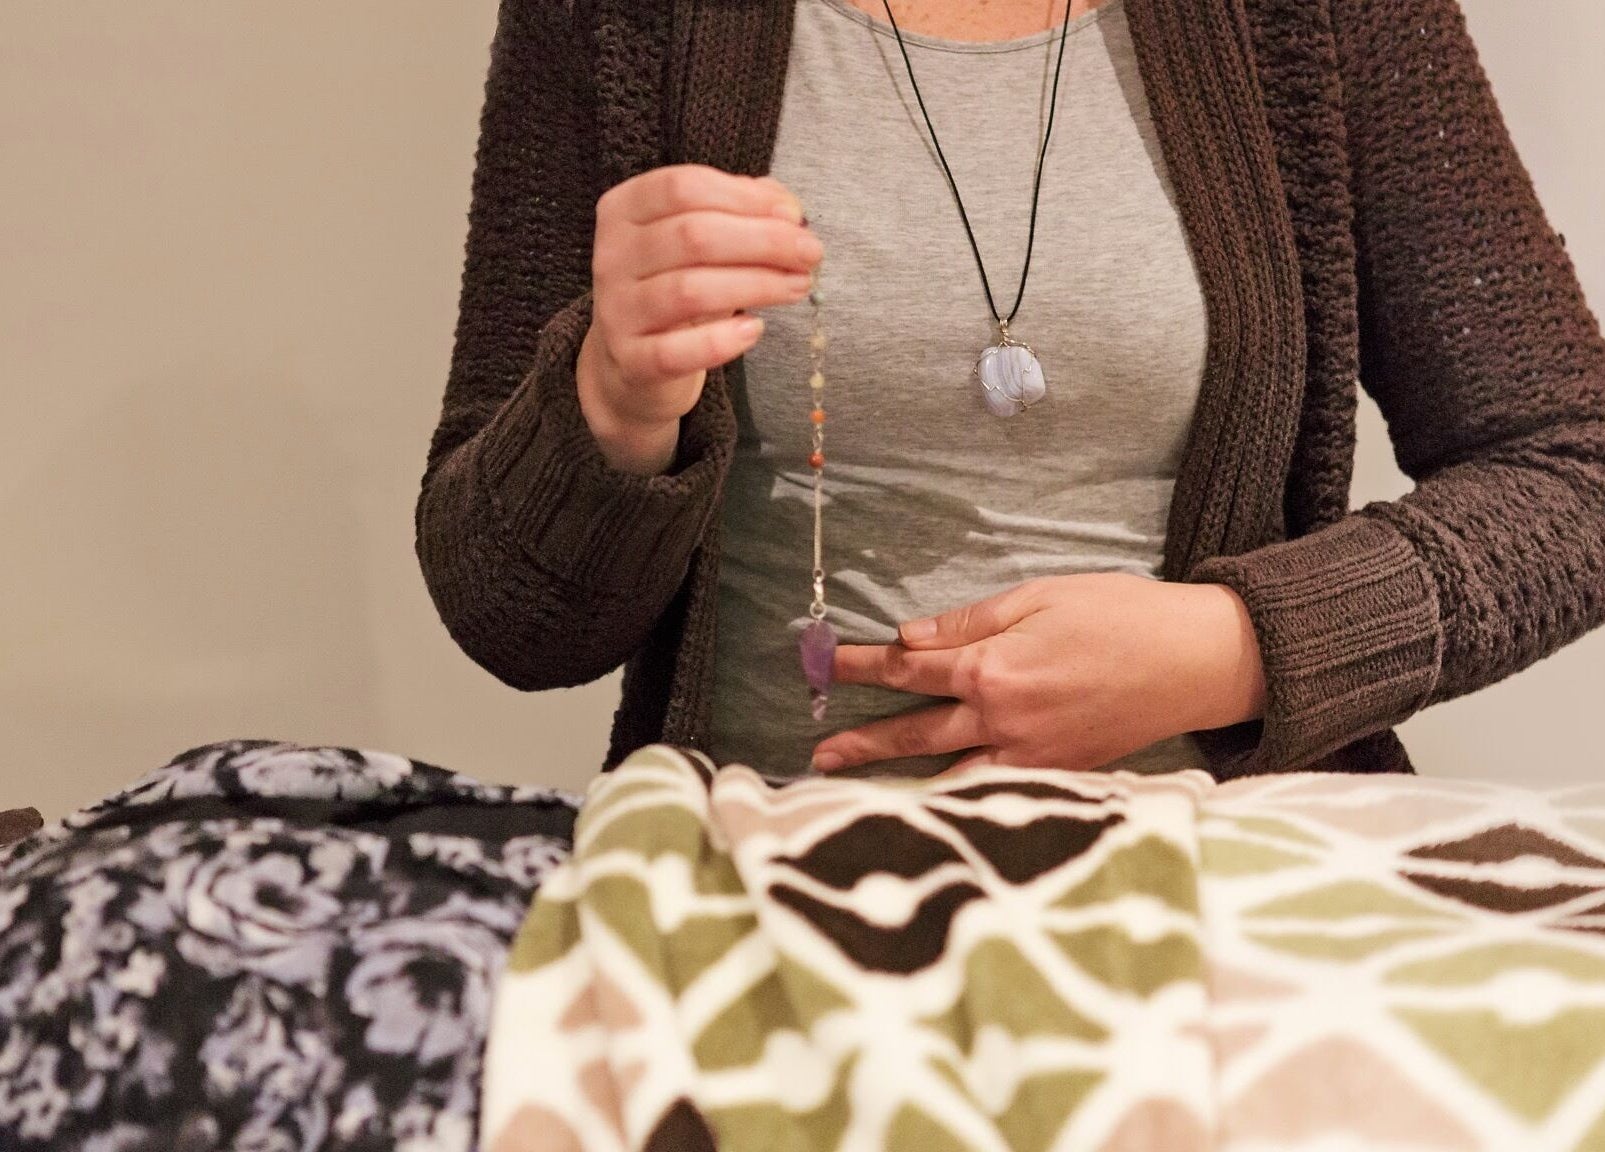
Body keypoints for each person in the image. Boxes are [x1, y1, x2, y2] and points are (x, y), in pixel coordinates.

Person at [416, 0, 1605, 781]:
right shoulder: (624, 18)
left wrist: (1234, 648)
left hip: (1232, 902)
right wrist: (614, 404)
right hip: (764, 891)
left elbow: (1576, 468)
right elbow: (508, 617)